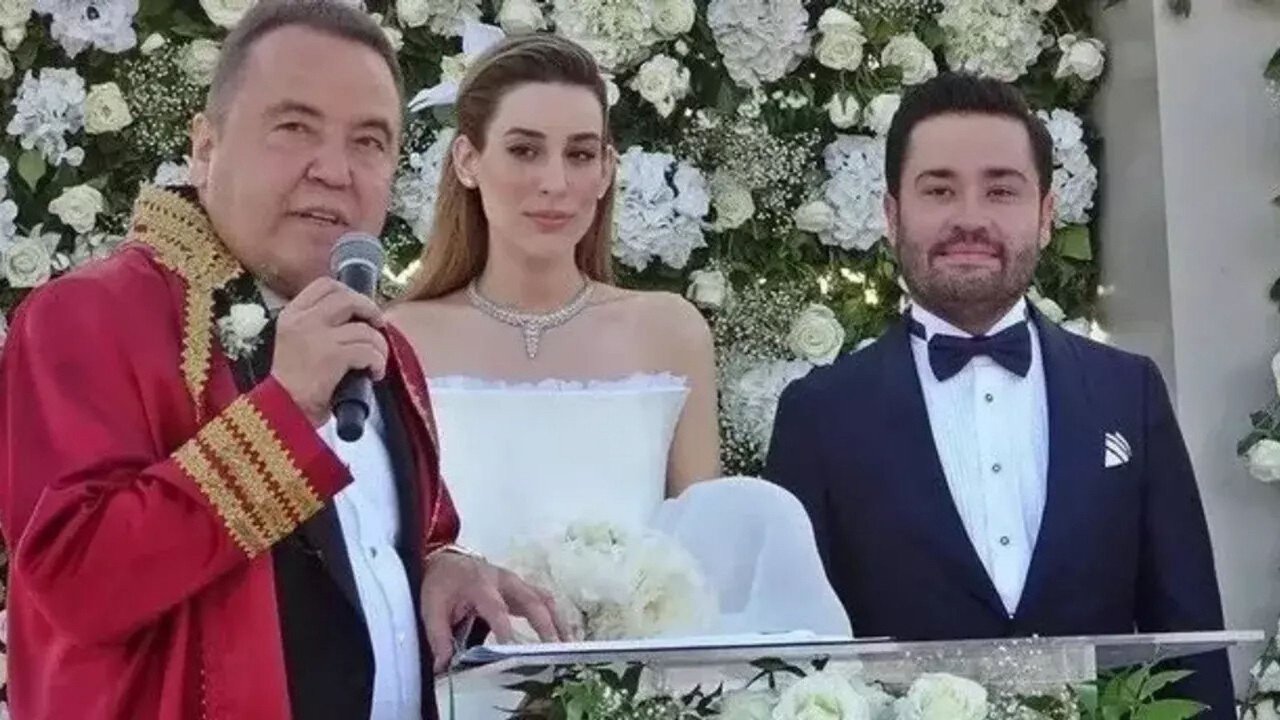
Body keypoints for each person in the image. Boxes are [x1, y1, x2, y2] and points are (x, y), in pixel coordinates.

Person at [0, 2, 562, 718]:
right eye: (295, 128)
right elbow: (75, 586)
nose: (334, 170)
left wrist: (441, 567)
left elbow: (400, 542)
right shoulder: (88, 316)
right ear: (205, 147)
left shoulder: (381, 346)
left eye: (369, 141)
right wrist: (285, 414)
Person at [388, 31, 851, 716]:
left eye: (580, 154)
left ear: (607, 170)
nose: (555, 182)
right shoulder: (400, 336)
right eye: (524, 150)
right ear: (467, 160)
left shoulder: (670, 330)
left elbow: (706, 560)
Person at [765, 72, 1235, 718]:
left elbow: (1189, 644)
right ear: (892, 215)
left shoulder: (1130, 393)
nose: (970, 218)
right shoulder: (817, 415)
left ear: (1046, 216)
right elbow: (789, 666)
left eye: (1001, 190)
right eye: (939, 190)